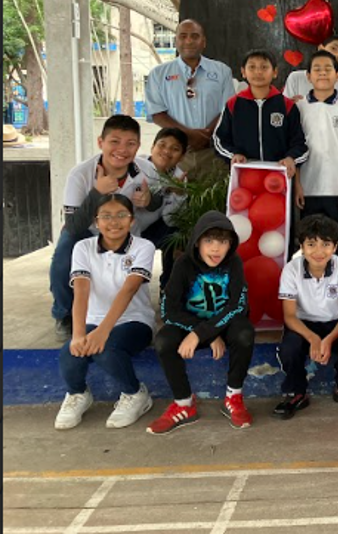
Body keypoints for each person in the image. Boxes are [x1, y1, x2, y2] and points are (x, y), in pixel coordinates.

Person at [50, 115, 161, 340]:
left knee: (175, 234)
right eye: (115, 141)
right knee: (64, 252)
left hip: (134, 232)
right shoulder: (80, 174)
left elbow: (160, 202)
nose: (122, 149)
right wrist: (96, 193)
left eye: (130, 143)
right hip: (90, 233)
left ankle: (173, 299)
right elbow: (72, 225)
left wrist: (150, 201)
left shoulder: (146, 169)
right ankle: (63, 314)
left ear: (138, 146)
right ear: (101, 142)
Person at [54, 194, 156, 430]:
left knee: (106, 349)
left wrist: (103, 331)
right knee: (70, 353)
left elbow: (129, 289)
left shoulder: (143, 247)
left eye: (121, 215)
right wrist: (79, 334)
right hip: (93, 320)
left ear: (132, 220)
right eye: (106, 216)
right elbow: (81, 291)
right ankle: (78, 394)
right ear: (95, 222)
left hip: (134, 321)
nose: (114, 222)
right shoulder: (83, 247)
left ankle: (135, 394)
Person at [147, 212, 255, 434]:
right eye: (209, 241)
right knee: (164, 340)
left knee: (245, 332)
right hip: (191, 326)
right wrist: (202, 332)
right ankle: (184, 404)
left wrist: (202, 334)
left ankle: (233, 397)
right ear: (197, 242)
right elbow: (169, 311)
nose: (216, 248)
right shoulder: (183, 264)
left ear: (230, 244)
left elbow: (237, 306)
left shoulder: (234, 263)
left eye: (223, 242)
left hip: (223, 326)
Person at [273, 215, 338, 418]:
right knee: (289, 348)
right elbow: (289, 316)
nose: (318, 251)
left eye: (326, 244)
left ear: (335, 246)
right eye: (311, 244)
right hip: (303, 324)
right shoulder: (291, 270)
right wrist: (313, 338)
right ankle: (297, 392)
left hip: (336, 323)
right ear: (302, 246)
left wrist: (329, 339)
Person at [145, 19, 234, 179]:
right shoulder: (158, 74)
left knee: (213, 201)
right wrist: (188, 136)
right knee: (174, 201)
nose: (189, 41)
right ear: (176, 40)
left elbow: (228, 109)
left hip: (213, 152)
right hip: (176, 154)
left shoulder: (222, 71)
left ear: (204, 41)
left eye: (195, 36)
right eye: (183, 36)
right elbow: (158, 114)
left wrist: (206, 136)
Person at [292, 51, 338, 236]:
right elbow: (295, 149)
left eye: (327, 69)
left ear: (337, 75)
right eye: (317, 69)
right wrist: (298, 184)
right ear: (308, 76)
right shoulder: (299, 108)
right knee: (311, 241)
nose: (322, 73)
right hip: (309, 187)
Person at [212, 48, 309, 178]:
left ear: (274, 72)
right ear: (243, 72)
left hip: (279, 176)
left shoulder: (287, 105)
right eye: (252, 67)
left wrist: (291, 158)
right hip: (244, 174)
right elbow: (219, 139)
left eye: (264, 67)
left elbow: (299, 143)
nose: (258, 72)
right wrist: (234, 154)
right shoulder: (233, 104)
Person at [135, 127, 189, 292]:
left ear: (182, 155)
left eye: (175, 149)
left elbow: (171, 220)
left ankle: (169, 290)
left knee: (176, 236)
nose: (167, 151)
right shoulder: (136, 166)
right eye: (162, 145)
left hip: (155, 227)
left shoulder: (179, 178)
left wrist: (178, 195)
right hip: (128, 225)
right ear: (152, 147)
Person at [283, 34, 338, 100]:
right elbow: (285, 108)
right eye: (333, 48)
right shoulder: (296, 78)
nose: (336, 55)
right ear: (321, 48)